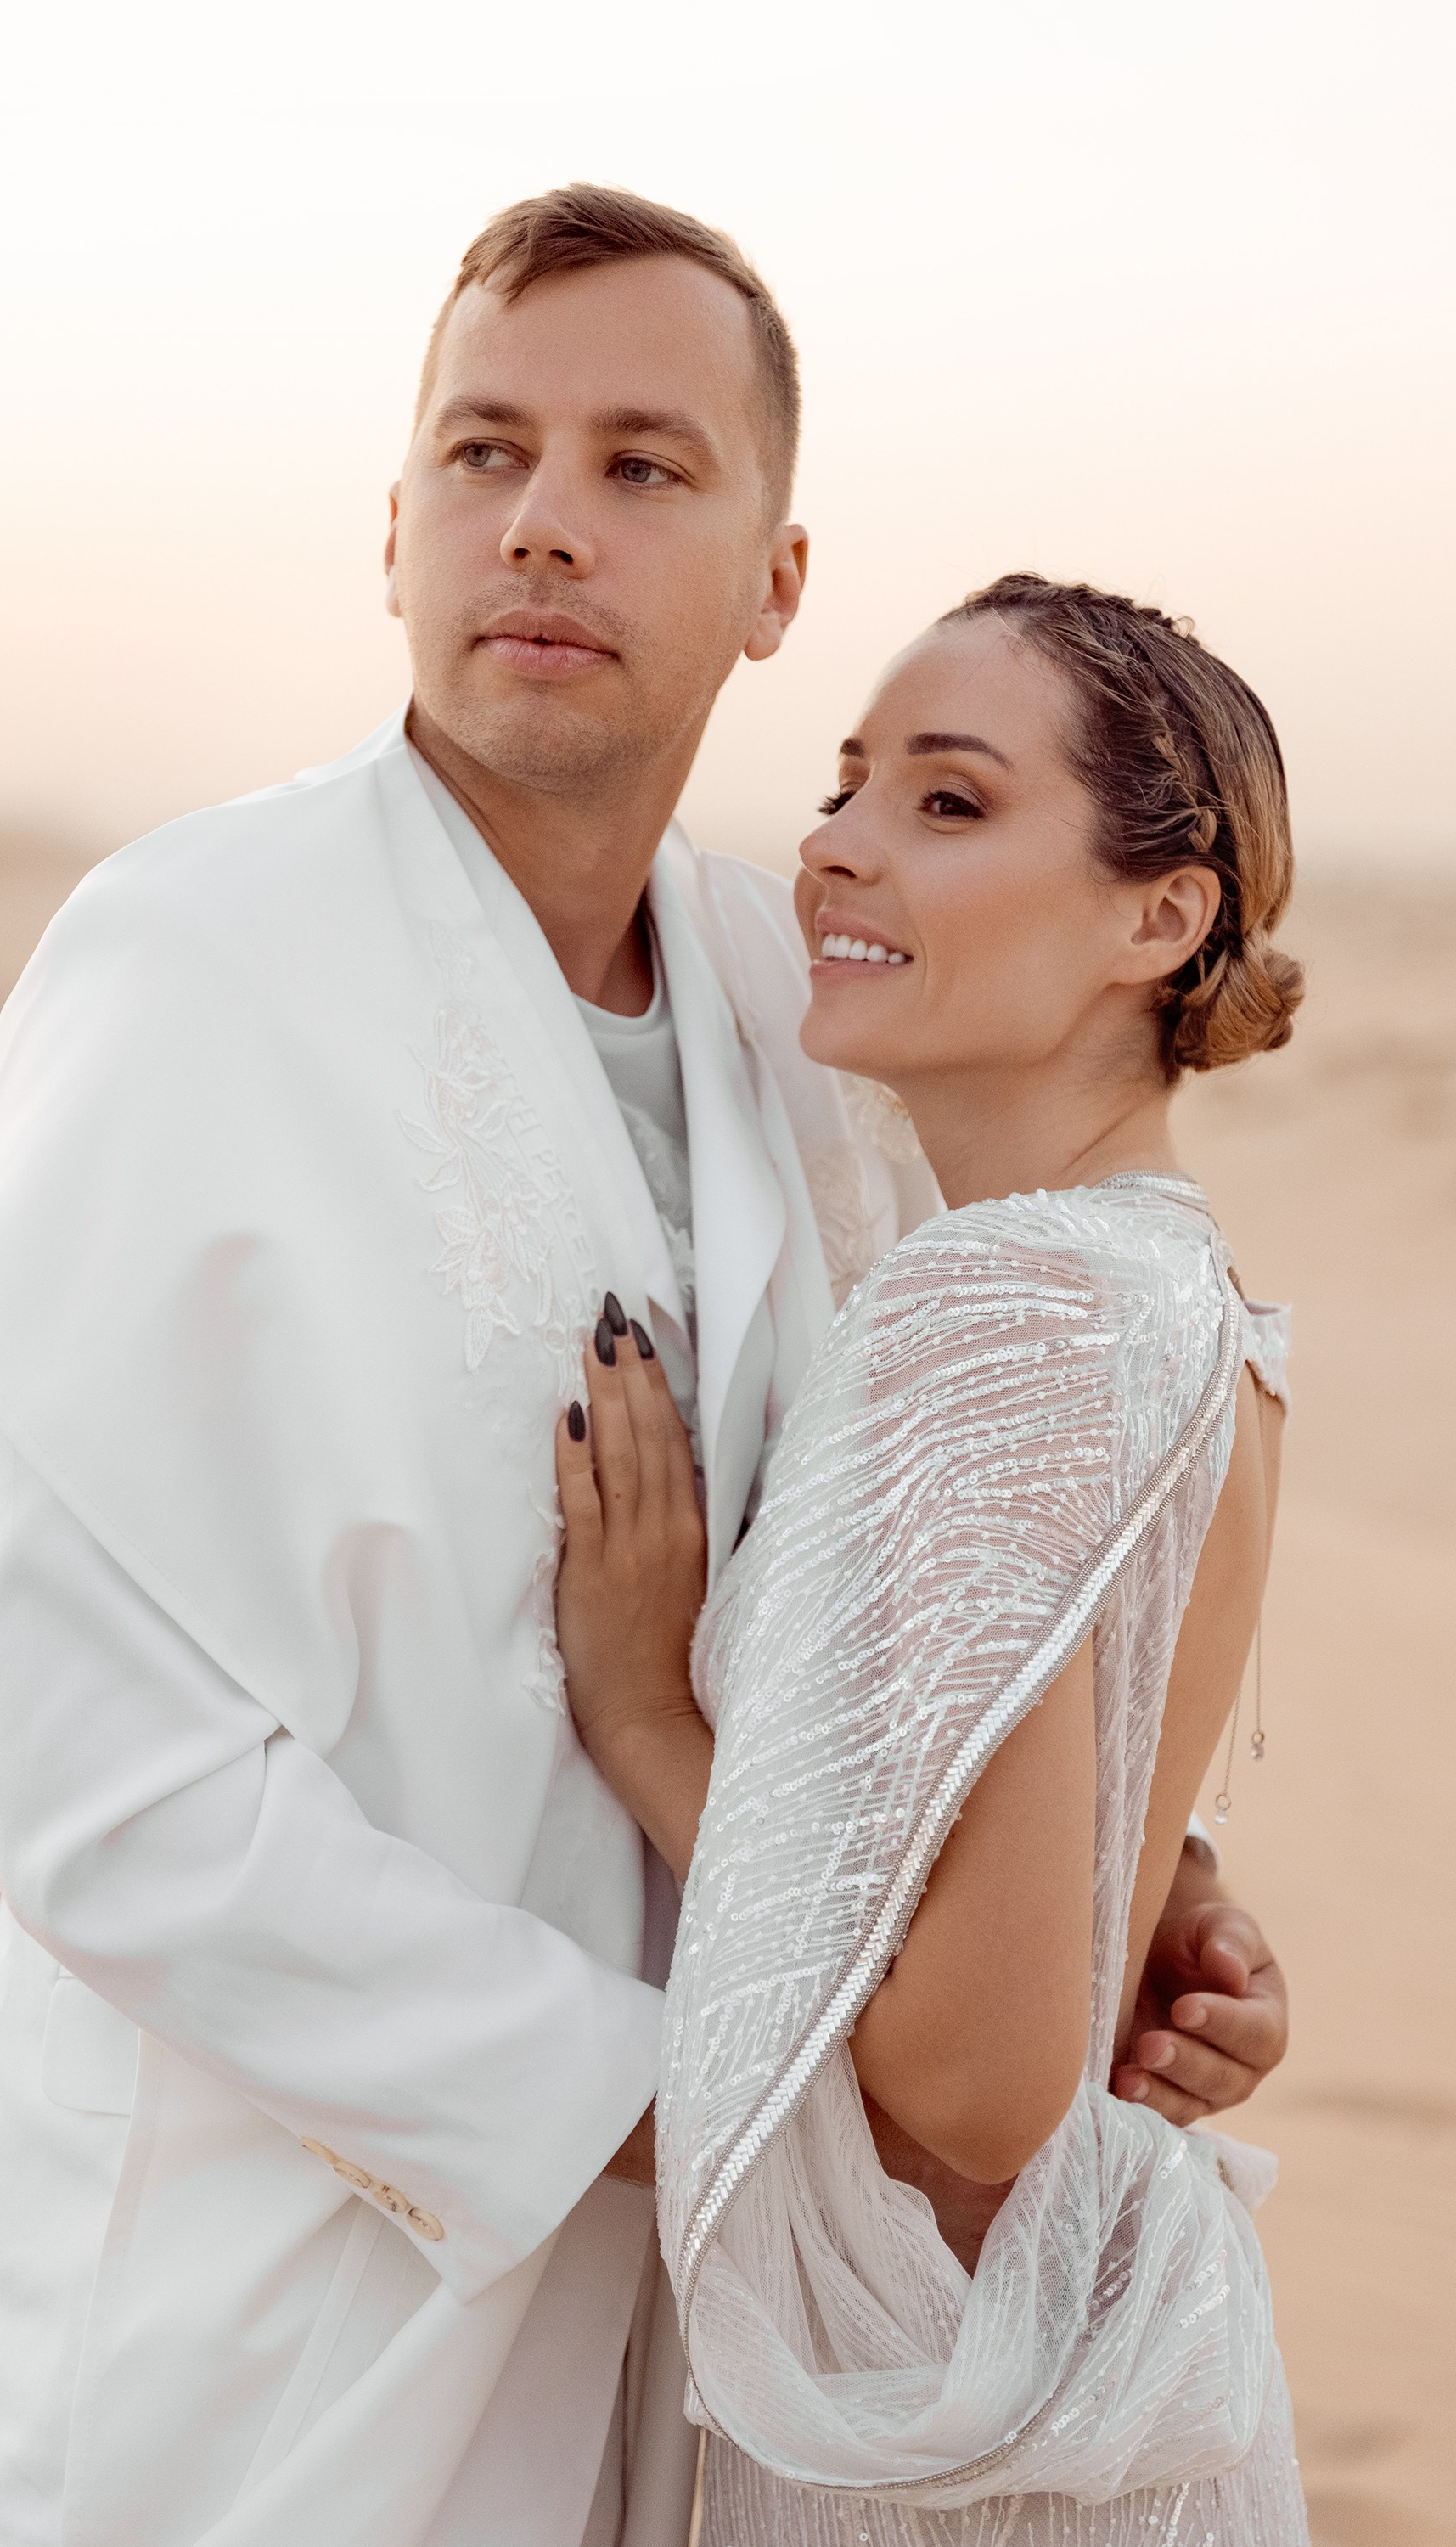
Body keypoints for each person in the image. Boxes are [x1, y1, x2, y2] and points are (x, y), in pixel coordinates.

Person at [0, 185, 1288, 2547]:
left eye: (646, 463)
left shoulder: (817, 999)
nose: (547, 522)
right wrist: (719, 2084)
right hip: (283, 2326)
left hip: (720, 2345)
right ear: (395, 529)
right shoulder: (185, 971)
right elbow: (106, 1795)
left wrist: (1105, 1913)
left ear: (775, 577)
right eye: (486, 452)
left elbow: (887, 1596)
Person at [552, 573, 1309, 2544]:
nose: (836, 849)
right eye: (846, 783)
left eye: (950, 803)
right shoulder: (1191, 1295)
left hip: (952, 2392)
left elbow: (978, 2086)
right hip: (1091, 2345)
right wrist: (1170, 1915)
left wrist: (640, 1712)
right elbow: (1071, 1845)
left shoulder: (993, 1319)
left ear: (1164, 916)